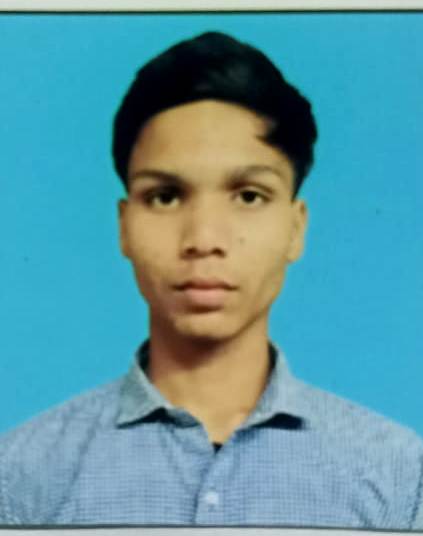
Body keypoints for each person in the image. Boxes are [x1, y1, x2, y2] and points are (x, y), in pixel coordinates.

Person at [0, 31, 422, 528]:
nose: (203, 239)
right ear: (124, 226)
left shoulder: (400, 477)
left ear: (296, 228)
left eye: (248, 196)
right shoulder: (21, 478)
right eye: (165, 196)